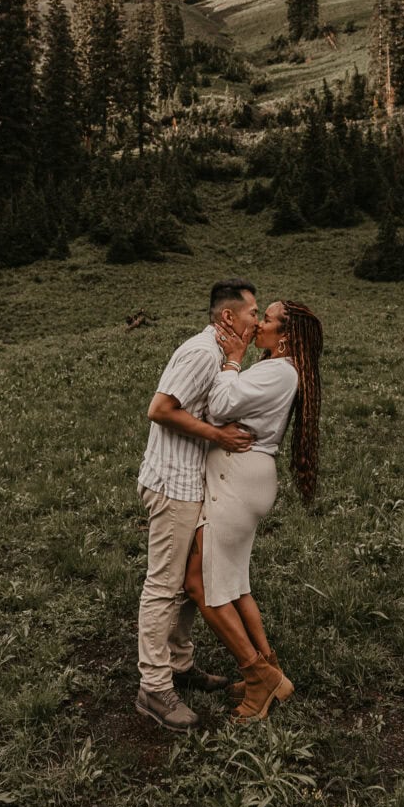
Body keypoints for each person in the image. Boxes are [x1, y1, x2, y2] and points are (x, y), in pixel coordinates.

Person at [184, 300, 323, 722]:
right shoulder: (282, 370)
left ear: (284, 335)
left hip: (238, 480)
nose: (258, 324)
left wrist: (233, 359)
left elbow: (221, 407)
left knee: (201, 586)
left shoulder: (278, 370)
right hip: (247, 480)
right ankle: (272, 671)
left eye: (267, 319)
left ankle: (256, 674)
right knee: (235, 584)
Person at [135, 279, 260, 733]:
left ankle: (179, 665)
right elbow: (160, 409)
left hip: (194, 483)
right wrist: (219, 436)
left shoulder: (220, 355)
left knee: (190, 583)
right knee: (163, 585)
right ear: (228, 316)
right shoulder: (201, 353)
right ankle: (153, 688)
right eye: (252, 313)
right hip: (173, 484)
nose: (258, 320)